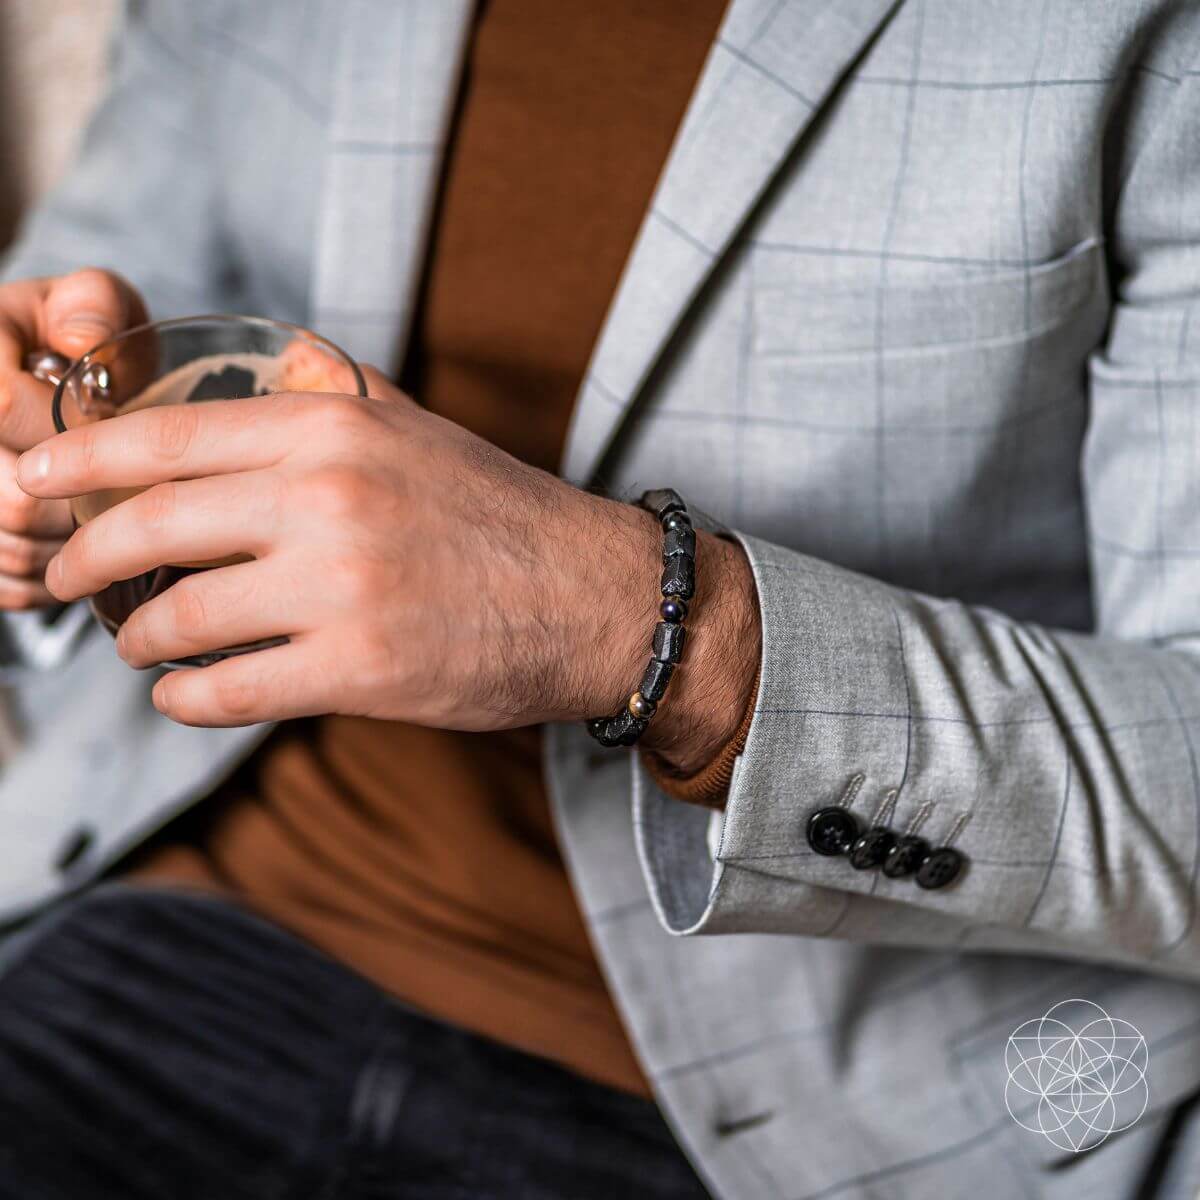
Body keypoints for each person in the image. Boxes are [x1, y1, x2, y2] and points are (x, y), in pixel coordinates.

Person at [0, 1, 1197, 1196]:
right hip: (181, 917)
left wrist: (643, 622)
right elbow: (87, 340)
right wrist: (42, 479)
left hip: (822, 1107)